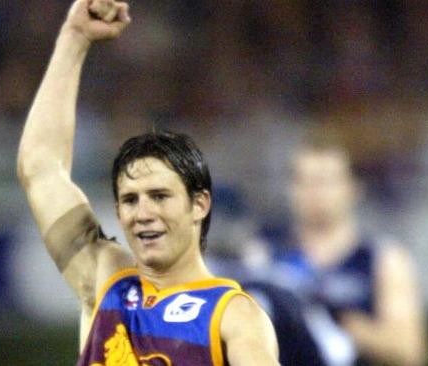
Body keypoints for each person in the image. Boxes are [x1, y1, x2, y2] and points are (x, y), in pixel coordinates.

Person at [16, 0, 279, 364]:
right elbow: (40, 168)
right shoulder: (106, 281)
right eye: (130, 199)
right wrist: (74, 38)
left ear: (199, 204)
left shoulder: (234, 316)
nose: (143, 213)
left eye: (159, 196)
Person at [249, 140, 428, 365]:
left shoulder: (381, 259)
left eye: (325, 181)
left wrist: (334, 319)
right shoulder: (263, 255)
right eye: (303, 181)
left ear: (353, 187)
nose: (313, 192)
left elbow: (409, 351)